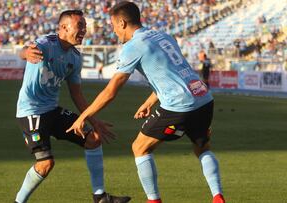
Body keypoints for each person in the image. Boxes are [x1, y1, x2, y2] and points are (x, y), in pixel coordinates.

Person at [67, 2, 225, 203]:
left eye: (114, 26)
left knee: (140, 147)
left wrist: (84, 116)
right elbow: (175, 73)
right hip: (204, 99)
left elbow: (111, 91)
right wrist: (151, 100)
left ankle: (154, 201)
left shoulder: (133, 46)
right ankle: (218, 196)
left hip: (180, 106)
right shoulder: (163, 36)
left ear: (122, 23)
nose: (114, 32)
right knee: (202, 148)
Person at [14, 9, 131, 203]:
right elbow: (25, 51)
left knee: (93, 138)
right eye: (80, 26)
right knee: (45, 164)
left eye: (85, 26)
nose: (84, 30)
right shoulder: (46, 44)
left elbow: (76, 94)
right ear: (63, 27)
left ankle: (100, 197)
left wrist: (93, 120)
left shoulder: (75, 58)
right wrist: (25, 52)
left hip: (52, 110)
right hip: (31, 112)